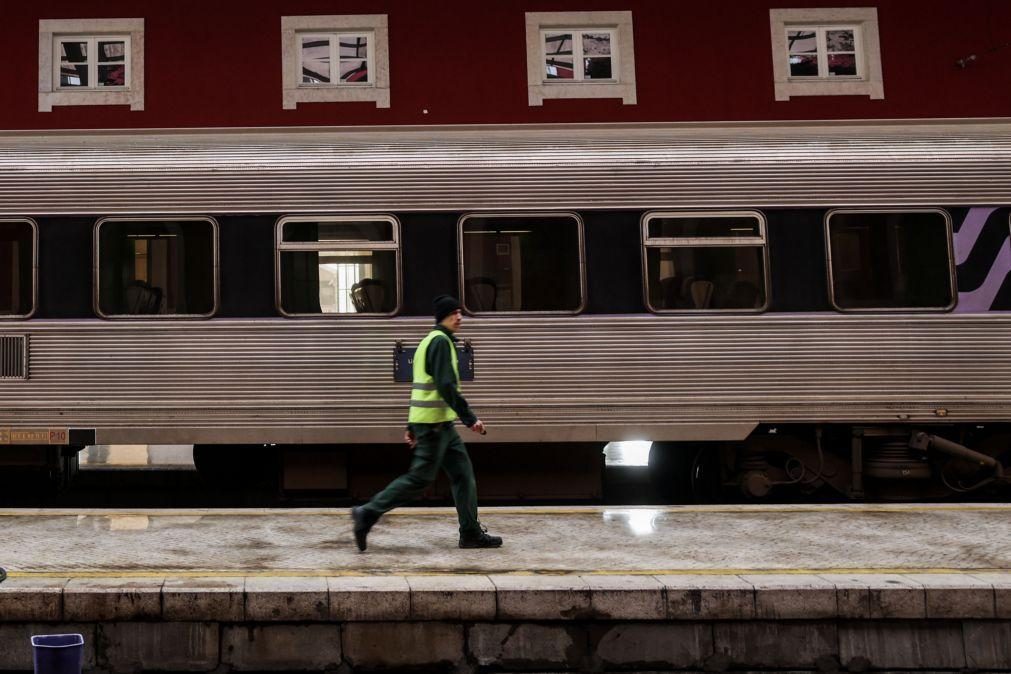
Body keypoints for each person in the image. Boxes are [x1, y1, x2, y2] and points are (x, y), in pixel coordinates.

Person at [351, 295, 503, 551]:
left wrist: (411, 425)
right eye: (455, 312)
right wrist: (470, 418)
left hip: (441, 425)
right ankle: (367, 512)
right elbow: (444, 385)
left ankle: (470, 533)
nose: (460, 317)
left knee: (463, 476)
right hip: (434, 427)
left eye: (460, 312)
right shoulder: (441, 343)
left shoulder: (428, 342)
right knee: (419, 480)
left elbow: (419, 389)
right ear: (444, 315)